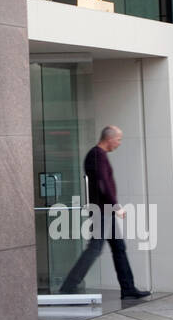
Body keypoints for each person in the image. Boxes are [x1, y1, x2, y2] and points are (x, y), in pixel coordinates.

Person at [57, 126, 150, 300]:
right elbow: (102, 184)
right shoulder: (96, 156)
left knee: (118, 248)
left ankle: (128, 288)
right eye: (119, 139)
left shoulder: (99, 156)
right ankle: (69, 285)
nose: (119, 143)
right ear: (109, 139)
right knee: (95, 248)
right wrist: (116, 206)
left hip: (105, 210)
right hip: (102, 210)